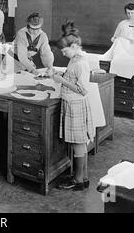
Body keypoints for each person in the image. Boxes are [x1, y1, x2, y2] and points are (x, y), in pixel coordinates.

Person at [47, 21, 94, 191]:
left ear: (74, 46)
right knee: (78, 143)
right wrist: (61, 74)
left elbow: (82, 90)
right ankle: (83, 176)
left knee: (78, 143)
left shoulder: (80, 63)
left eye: (65, 51)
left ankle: (78, 180)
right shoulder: (75, 59)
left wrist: (60, 80)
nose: (63, 54)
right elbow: (72, 78)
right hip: (71, 104)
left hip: (76, 105)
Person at [0, 11, 54, 76]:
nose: (35, 32)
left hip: (26, 61)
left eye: (38, 29)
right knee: (8, 82)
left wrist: (50, 67)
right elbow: (22, 56)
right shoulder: (21, 34)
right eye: (33, 29)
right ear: (28, 26)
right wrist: (32, 69)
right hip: (12, 60)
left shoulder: (43, 36)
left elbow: (46, 53)